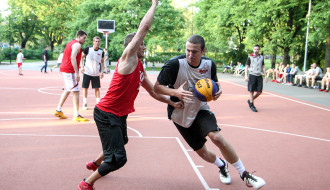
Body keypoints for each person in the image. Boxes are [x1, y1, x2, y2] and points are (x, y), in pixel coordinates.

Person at [77, 1, 181, 189]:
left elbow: (154, 91)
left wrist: (172, 102)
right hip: (107, 113)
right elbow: (144, 27)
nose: (144, 47)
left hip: (117, 114)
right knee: (118, 159)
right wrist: (155, 4)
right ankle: (86, 183)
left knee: (122, 141)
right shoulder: (128, 58)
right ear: (134, 46)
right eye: (142, 44)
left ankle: (95, 163)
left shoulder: (139, 67)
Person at [154, 35, 265, 189]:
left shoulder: (209, 64)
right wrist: (175, 93)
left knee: (216, 137)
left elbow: (215, 83)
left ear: (203, 51)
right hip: (179, 113)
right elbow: (157, 87)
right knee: (202, 152)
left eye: (194, 51)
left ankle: (244, 174)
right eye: (187, 50)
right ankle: (221, 165)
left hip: (201, 109)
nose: (190, 55)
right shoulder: (174, 64)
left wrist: (218, 90)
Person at [54, 30, 89, 122]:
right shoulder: (77, 45)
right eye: (84, 37)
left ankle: (58, 110)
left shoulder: (70, 43)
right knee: (76, 91)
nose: (85, 40)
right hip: (69, 70)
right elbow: (72, 57)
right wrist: (77, 73)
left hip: (65, 69)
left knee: (68, 89)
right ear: (79, 36)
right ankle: (76, 115)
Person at [81, 36, 105, 110]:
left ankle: (98, 104)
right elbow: (81, 57)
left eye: (98, 41)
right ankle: (85, 103)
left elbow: (102, 62)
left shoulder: (101, 52)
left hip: (96, 73)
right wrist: (81, 66)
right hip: (87, 72)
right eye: (96, 41)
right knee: (85, 88)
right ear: (93, 42)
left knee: (97, 88)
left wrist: (102, 72)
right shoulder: (88, 49)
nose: (97, 43)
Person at [245, 45, 268, 112]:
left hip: (259, 75)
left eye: (257, 49)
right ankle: (252, 105)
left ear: (259, 50)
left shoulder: (261, 57)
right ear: (253, 50)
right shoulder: (250, 57)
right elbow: (246, 67)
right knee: (251, 91)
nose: (256, 50)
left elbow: (263, 66)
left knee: (259, 92)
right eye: (255, 49)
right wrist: (246, 76)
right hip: (252, 75)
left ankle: (250, 100)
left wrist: (265, 75)